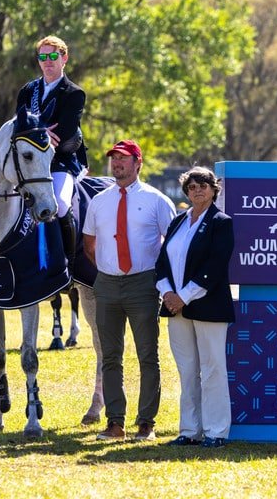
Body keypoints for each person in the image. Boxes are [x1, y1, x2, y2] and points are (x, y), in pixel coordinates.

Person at [82, 140, 175, 441]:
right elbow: (89, 244)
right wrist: (108, 270)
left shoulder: (157, 200)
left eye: (124, 159)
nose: (117, 164)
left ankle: (146, 422)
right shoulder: (99, 201)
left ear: (138, 163)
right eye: (114, 159)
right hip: (107, 284)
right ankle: (115, 423)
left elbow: (172, 245)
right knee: (110, 356)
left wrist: (156, 280)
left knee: (148, 355)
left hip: (143, 284)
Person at [155, 166, 235, 448]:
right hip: (176, 309)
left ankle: (216, 432)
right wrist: (167, 293)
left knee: (213, 369)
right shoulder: (177, 222)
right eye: (191, 186)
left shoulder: (221, 222)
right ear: (186, 191)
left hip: (208, 307)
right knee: (187, 371)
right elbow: (162, 262)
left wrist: (183, 296)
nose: (197, 190)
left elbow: (213, 267)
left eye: (203, 185)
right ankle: (189, 431)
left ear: (214, 190)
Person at [16, 35, 87, 277]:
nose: (48, 62)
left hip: (61, 161)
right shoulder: (27, 90)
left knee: (62, 203)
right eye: (43, 57)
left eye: (53, 56)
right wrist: (42, 132)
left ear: (64, 58)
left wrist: (35, 132)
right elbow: (18, 125)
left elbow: (64, 131)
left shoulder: (74, 93)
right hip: (28, 163)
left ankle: (68, 265)